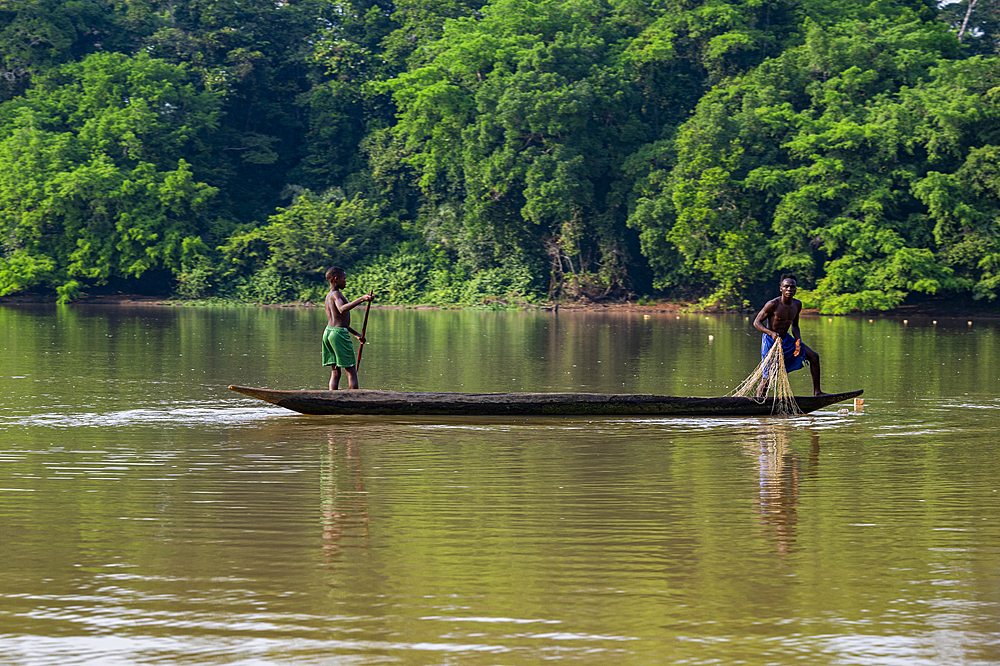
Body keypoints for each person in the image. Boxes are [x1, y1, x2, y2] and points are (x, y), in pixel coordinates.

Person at [752, 273, 824, 396]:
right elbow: (756, 322)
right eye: (786, 286)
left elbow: (795, 326)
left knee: (814, 356)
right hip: (771, 341)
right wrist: (771, 333)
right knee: (768, 376)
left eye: (792, 287)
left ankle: (817, 393)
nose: (789, 289)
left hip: (787, 339)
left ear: (796, 289)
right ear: (781, 288)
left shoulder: (797, 305)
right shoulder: (773, 304)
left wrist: (798, 341)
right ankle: (759, 403)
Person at [323, 267, 374, 390]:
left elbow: (339, 321)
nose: (345, 281)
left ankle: (332, 398)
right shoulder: (336, 294)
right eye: (344, 279)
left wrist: (356, 334)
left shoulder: (328, 296)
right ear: (336, 279)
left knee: (335, 372)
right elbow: (342, 309)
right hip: (338, 334)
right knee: (351, 371)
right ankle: (353, 399)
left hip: (328, 333)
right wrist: (362, 299)